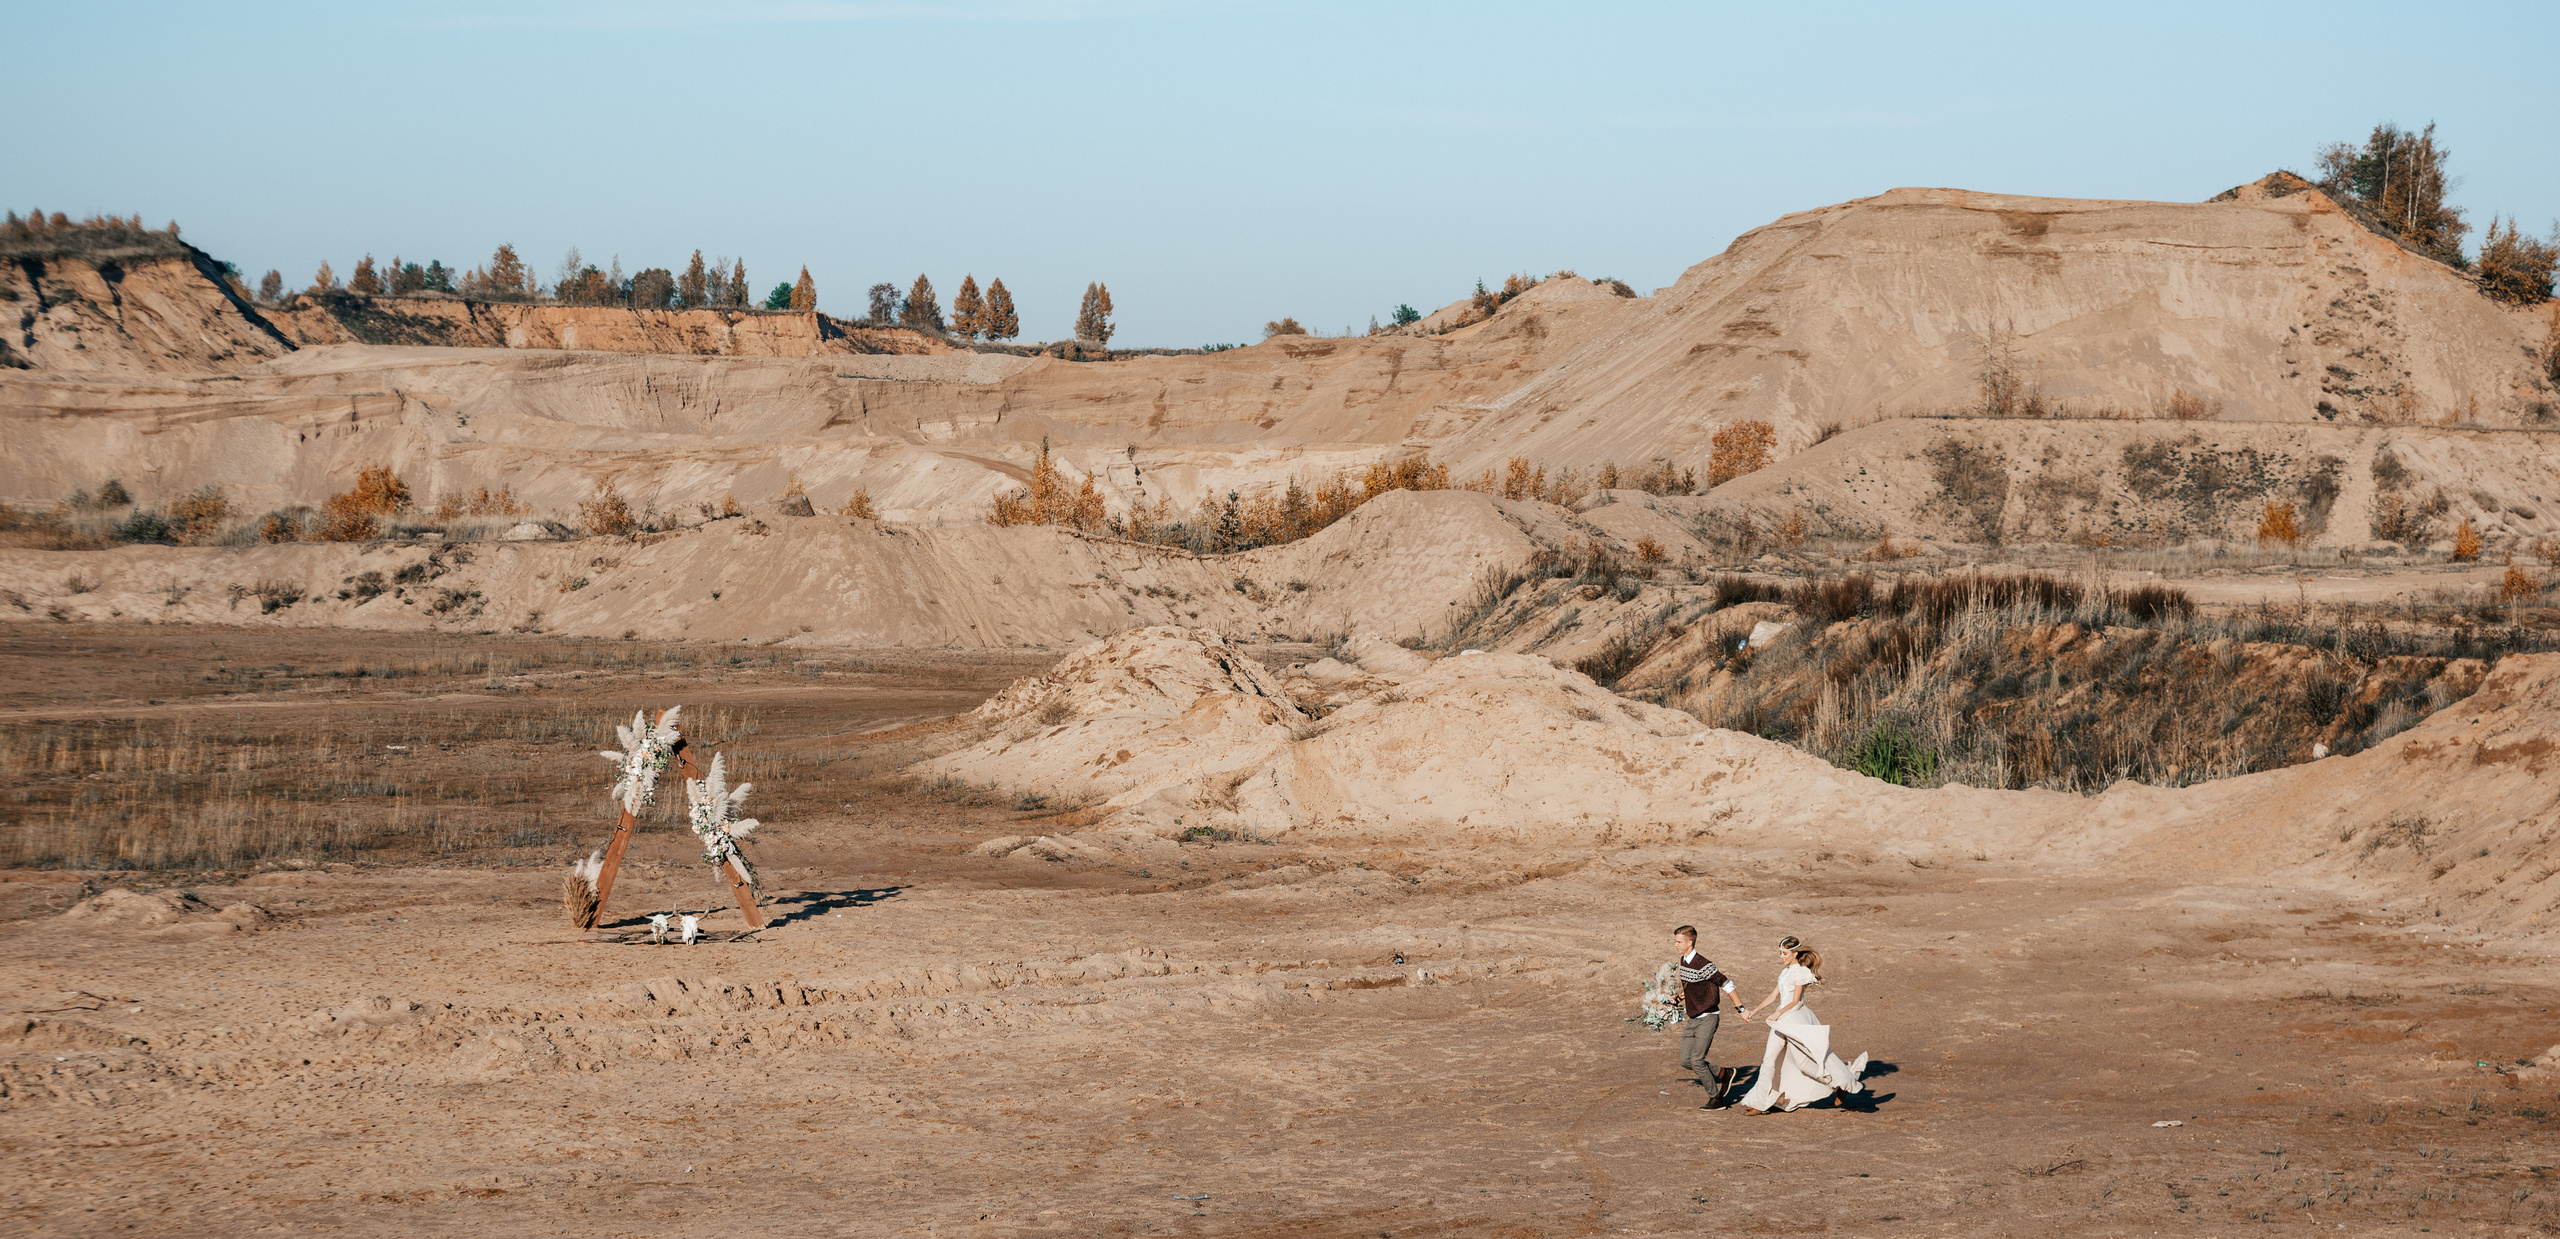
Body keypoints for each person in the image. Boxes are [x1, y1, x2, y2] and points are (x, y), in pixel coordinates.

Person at [1734, 936, 1869, 1114]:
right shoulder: (1785, 972)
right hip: (1780, 1022)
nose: (1781, 957)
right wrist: (1754, 1011)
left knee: (1804, 1063)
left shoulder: (1800, 973)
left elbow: (1796, 1002)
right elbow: (1773, 996)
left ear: (1795, 953)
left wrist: (1778, 1013)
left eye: (1784, 953)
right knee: (1768, 1060)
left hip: (1793, 1021)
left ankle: (1838, 1085)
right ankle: (1759, 1103)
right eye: (1780, 953)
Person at [1668, 926, 1742, 1107]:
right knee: (1686, 1060)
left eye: (1679, 941)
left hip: (1708, 1017)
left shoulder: (1703, 964)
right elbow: (1693, 988)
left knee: (1697, 1060)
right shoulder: (1684, 961)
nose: (1675, 944)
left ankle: (1716, 1098)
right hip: (1693, 1018)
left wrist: (1741, 1009)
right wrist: (1677, 997)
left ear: (1689, 942)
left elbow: (1726, 983)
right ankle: (1724, 1073)